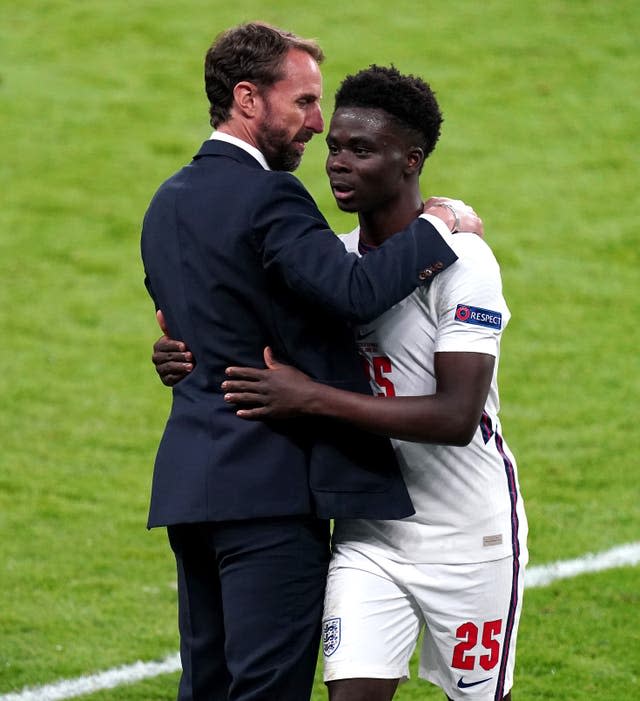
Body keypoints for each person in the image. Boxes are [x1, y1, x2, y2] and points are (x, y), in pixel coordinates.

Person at [159, 65, 527, 700]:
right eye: (334, 146)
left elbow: (456, 417)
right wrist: (179, 352)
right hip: (368, 536)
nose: (337, 162)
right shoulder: (332, 260)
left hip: (470, 538)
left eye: (361, 150)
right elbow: (253, 332)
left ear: (410, 161)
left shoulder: (465, 264)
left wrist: (313, 399)